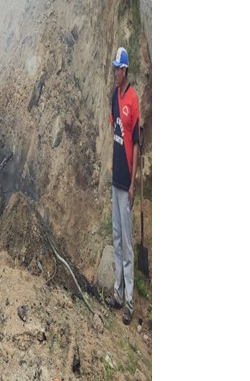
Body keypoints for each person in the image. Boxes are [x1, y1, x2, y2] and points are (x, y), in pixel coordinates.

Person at [107, 46, 141, 325]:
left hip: (125, 182)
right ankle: (117, 293)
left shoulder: (132, 99)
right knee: (116, 239)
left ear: (125, 70)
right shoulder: (114, 97)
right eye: (114, 68)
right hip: (114, 180)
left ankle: (130, 302)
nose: (115, 72)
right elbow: (113, 132)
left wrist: (133, 184)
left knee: (128, 246)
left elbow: (136, 145)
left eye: (118, 69)